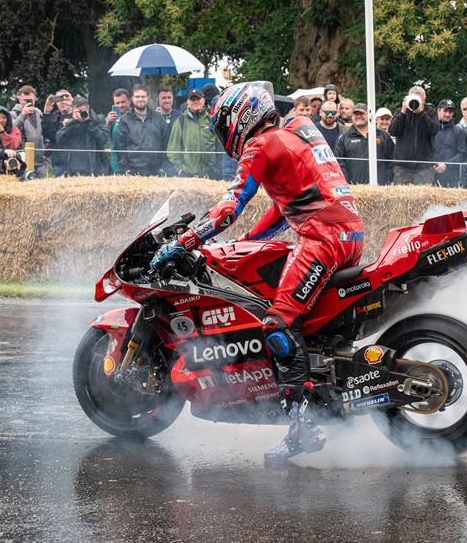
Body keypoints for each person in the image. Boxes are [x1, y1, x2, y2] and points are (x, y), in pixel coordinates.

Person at [149, 81, 363, 464]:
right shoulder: (296, 130)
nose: (222, 137)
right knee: (302, 319)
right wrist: (247, 241)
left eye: (222, 127)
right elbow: (289, 205)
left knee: (277, 324)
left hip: (323, 238)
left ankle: (301, 426)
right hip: (346, 234)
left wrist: (184, 243)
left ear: (239, 117)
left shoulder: (259, 145)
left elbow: (231, 206)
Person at [166, 88, 223, 179]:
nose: (196, 101)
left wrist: (219, 169)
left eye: (198, 99)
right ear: (188, 102)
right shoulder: (181, 121)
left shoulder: (212, 119)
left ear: (203, 100)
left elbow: (221, 147)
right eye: (193, 99)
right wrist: (180, 170)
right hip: (189, 176)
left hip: (211, 175)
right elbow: (172, 150)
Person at [388, 85, 439, 184]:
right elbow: (393, 131)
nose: (416, 103)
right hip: (402, 166)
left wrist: (422, 113)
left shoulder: (430, 112)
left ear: (424, 99)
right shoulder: (400, 111)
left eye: (420, 99)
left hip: (424, 167)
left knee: (423, 198)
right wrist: (403, 112)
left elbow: (434, 130)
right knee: (401, 197)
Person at [334, 103, 394, 184]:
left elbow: (392, 160)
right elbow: (339, 163)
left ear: (369, 115)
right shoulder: (344, 138)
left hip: (380, 187)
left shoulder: (384, 136)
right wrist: (347, 183)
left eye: (362, 114)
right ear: (352, 116)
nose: (358, 116)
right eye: (355, 114)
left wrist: (388, 180)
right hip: (355, 188)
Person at [116, 84, 168, 176]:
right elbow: (120, 147)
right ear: (132, 99)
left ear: (147, 98)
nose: (140, 99)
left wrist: (164, 166)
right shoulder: (125, 120)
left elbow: (166, 143)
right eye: (137, 96)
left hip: (157, 171)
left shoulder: (159, 118)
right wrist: (125, 168)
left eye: (143, 96)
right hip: (133, 172)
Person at [54, 96, 110, 176]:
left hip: (95, 169)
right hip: (73, 170)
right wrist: (72, 122)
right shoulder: (70, 123)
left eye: (82, 111)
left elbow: (103, 139)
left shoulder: (98, 120)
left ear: (88, 107)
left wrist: (88, 123)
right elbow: (58, 138)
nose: (80, 114)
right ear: (73, 111)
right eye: (77, 111)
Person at [10, 85, 49, 178]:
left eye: (31, 100)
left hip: (41, 161)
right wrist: (23, 114)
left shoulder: (39, 113)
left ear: (35, 99)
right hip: (24, 161)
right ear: (19, 100)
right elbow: (11, 131)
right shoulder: (13, 114)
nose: (29, 103)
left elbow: (45, 132)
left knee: (44, 189)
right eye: (25, 100)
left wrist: (46, 154)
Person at [432, 99, 467, 187]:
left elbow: (463, 154)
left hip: (452, 177)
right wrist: (432, 164)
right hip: (431, 175)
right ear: (438, 110)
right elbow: (424, 150)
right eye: (445, 111)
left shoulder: (459, 132)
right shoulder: (430, 129)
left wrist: (446, 164)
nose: (448, 114)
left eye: (450, 111)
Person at [43, 89, 74, 176]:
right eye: (60, 98)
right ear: (56, 103)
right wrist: (46, 112)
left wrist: (75, 107)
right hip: (59, 161)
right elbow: (49, 135)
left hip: (77, 160)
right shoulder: (53, 117)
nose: (63, 100)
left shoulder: (79, 114)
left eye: (67, 97)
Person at [106, 88, 132, 175]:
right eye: (117, 103)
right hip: (115, 164)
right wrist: (107, 123)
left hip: (133, 163)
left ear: (130, 101)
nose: (120, 105)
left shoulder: (136, 116)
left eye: (123, 102)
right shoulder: (112, 118)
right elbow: (103, 138)